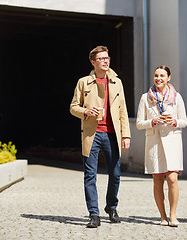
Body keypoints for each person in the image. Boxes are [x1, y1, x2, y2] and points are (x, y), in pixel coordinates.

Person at [70, 46, 131, 228]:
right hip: (92, 134)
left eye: (107, 58)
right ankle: (94, 214)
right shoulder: (83, 82)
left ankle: (111, 207)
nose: (106, 61)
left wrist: (126, 135)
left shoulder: (116, 82)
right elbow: (73, 107)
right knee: (90, 175)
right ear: (93, 62)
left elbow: (123, 111)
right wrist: (86, 111)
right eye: (102, 58)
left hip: (112, 135)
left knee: (116, 174)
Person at [136, 65, 187, 227]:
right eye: (156, 75)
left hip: (172, 140)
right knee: (157, 180)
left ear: (168, 78)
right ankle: (163, 216)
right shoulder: (146, 98)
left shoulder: (176, 97)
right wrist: (152, 121)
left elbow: (184, 121)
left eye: (162, 76)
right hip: (154, 142)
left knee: (172, 178)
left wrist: (174, 121)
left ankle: (173, 215)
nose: (159, 78)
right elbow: (138, 123)